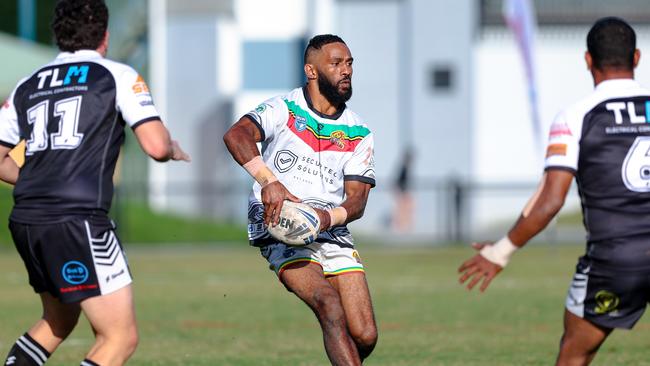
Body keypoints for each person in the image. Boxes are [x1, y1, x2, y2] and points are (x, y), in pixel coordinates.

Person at [0, 1, 190, 365]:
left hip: (27, 219)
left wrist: (40, 180)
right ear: (105, 35)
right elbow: (154, 144)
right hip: (77, 221)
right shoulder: (115, 75)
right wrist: (171, 149)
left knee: (58, 320)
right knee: (119, 338)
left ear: (59, 35)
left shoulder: (28, 84)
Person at [458, 17, 650, 365]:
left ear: (588, 60)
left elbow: (550, 201)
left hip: (616, 260)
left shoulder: (576, 116)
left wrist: (499, 252)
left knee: (574, 354)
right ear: (636, 58)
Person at [223, 34, 378, 365]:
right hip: (281, 221)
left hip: (330, 227)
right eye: (335, 64)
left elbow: (357, 201)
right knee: (329, 305)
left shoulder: (358, 131)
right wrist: (269, 181)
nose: (345, 70)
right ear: (311, 70)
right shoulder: (285, 108)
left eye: (349, 63)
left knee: (364, 334)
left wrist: (325, 219)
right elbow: (236, 135)